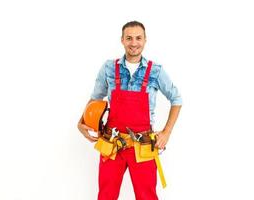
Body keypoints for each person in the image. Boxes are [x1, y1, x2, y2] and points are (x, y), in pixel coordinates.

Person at [78, 21, 182, 200]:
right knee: (106, 195)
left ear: (145, 40)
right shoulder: (109, 68)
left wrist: (166, 132)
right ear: (122, 40)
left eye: (138, 38)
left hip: (142, 146)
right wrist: (82, 122)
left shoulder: (155, 71)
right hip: (112, 144)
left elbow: (176, 99)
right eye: (129, 38)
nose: (134, 43)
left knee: (147, 196)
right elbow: (95, 98)